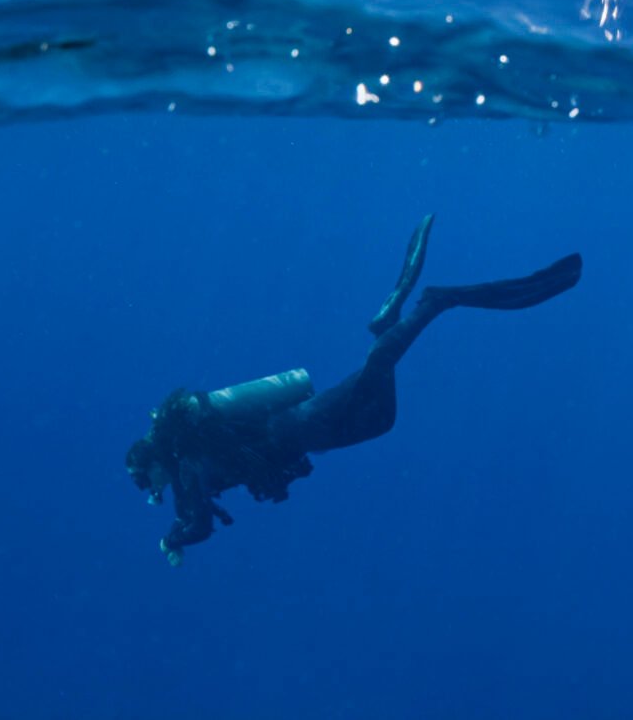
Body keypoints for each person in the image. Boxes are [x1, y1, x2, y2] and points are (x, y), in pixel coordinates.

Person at [125, 216, 582, 564]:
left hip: (299, 427)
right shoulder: (189, 460)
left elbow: (200, 523)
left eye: (147, 481)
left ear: (153, 464)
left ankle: (435, 302)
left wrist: (172, 540)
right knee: (381, 418)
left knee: (376, 371)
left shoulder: (185, 468)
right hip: (304, 431)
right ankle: (391, 321)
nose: (153, 490)